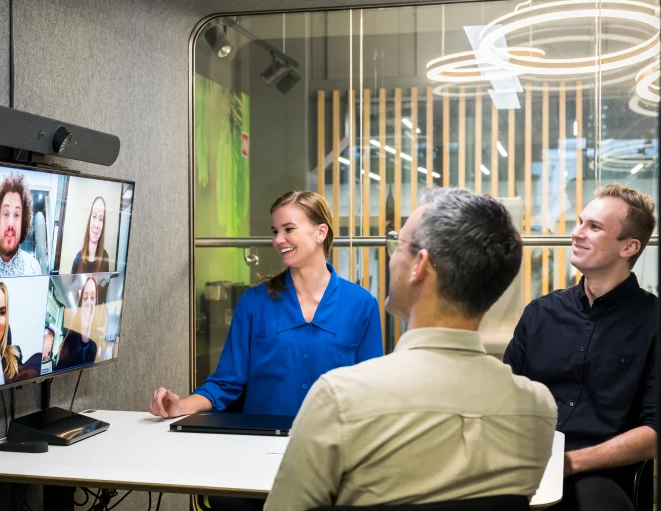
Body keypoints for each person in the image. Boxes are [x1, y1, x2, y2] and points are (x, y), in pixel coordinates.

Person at [265, 188, 558, 510]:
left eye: (397, 245)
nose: (392, 256)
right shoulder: (537, 409)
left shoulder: (340, 399)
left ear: (419, 265)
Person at [149, 190, 383, 418]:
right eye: (275, 231)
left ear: (321, 232)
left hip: (333, 446)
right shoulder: (254, 304)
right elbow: (226, 383)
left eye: (289, 229)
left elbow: (370, 391)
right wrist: (180, 407)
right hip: (260, 444)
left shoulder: (362, 305)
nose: (278, 240)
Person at [504, 184, 657, 511]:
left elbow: (656, 433)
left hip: (601, 474)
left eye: (594, 227)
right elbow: (505, 401)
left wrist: (568, 463)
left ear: (629, 247)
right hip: (526, 464)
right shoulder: (540, 313)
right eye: (579, 222)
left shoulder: (656, 322)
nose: (577, 233)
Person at [54, 275, 99, 371]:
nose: (89, 303)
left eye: (93, 297)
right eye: (85, 298)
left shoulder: (95, 346)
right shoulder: (67, 345)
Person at [71, 196, 110, 274]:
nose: (96, 225)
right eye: (94, 216)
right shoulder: (78, 259)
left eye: (101, 219)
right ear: (90, 220)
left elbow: (106, 285)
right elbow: (72, 286)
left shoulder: (105, 257)